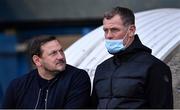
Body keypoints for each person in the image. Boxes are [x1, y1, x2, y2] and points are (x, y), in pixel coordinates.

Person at [91, 6, 173, 109]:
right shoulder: (102, 69)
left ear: (131, 30)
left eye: (114, 30)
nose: (108, 36)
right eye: (105, 30)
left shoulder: (154, 67)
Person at [2, 36, 91, 109]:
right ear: (37, 60)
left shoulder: (77, 78)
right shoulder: (18, 85)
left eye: (61, 51)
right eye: (53, 53)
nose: (60, 57)